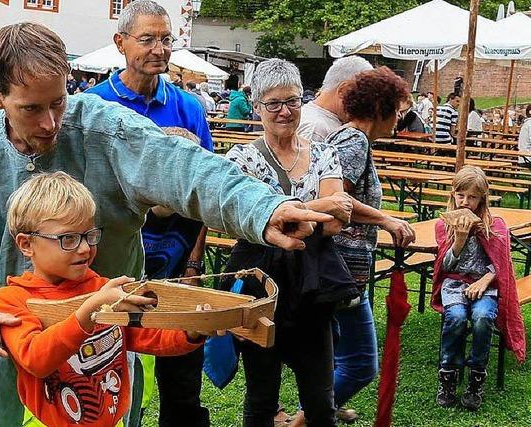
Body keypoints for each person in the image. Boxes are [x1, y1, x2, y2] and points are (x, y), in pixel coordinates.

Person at [0, 22, 333, 427]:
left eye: (59, 102)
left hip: (110, 335)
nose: (50, 123)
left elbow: (185, 168)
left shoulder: (107, 129)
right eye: (31, 108)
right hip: (13, 336)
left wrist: (262, 209)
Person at [0, 171, 209, 427]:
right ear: (27, 244)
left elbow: (146, 336)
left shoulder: (100, 287)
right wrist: (90, 310)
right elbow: (36, 358)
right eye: (68, 238)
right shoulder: (13, 299)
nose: (84, 248)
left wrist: (191, 332)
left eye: (89, 235)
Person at [87, 3, 214, 424]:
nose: (158, 49)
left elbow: (203, 191)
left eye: (165, 39)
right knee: (107, 373)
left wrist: (195, 263)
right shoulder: (92, 105)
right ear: (120, 42)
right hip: (111, 266)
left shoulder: (189, 107)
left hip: (174, 264)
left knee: (182, 379)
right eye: (147, 39)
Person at [224, 58, 356, 427]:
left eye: (293, 101)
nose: (285, 111)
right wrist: (318, 207)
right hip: (259, 282)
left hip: (313, 283)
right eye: (274, 103)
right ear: (256, 105)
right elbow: (245, 222)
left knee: (319, 395)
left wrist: (278, 214)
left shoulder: (324, 151)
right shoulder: (239, 159)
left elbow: (334, 222)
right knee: (261, 393)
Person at [297, 58, 415, 424]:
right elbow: (336, 203)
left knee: (331, 356)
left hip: (344, 272)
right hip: (341, 272)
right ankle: (303, 419)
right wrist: (385, 218)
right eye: (395, 112)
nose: (397, 121)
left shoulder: (349, 138)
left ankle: (315, 414)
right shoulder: (353, 142)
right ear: (379, 108)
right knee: (362, 362)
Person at [431, 166, 525, 410]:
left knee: (483, 318)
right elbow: (445, 265)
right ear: (453, 194)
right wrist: (459, 240)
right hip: (454, 286)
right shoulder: (444, 225)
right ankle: (448, 374)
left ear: (482, 198)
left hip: (487, 287)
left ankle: (476, 377)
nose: (466, 202)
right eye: (461, 195)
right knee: (457, 317)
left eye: (472, 197)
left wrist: (484, 280)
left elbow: (502, 265)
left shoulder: (495, 225)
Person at [297, 56, 373, 143]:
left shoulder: (321, 121)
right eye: (363, 95)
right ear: (343, 90)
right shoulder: (316, 129)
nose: (365, 104)